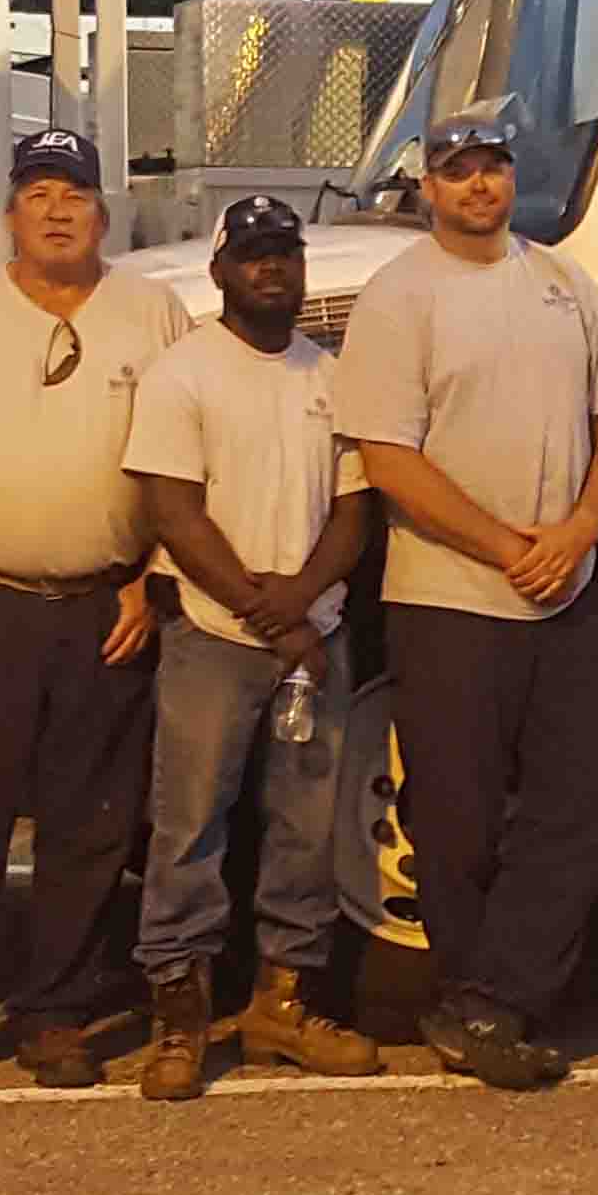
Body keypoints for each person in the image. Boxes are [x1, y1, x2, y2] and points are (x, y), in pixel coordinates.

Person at [342, 114, 598, 1091]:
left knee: (589, 800)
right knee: (456, 818)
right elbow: (388, 457)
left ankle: (492, 998)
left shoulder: (563, 283)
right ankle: (469, 996)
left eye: (492, 167)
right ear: (426, 188)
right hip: (448, 599)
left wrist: (577, 533)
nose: (478, 185)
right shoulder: (398, 297)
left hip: (566, 592)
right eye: (457, 172)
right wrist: (508, 546)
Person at [0, 124, 187, 1090]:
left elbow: (181, 462)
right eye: (38, 195)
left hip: (108, 606)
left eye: (75, 196)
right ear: (11, 213)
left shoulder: (154, 315)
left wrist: (147, 576)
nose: (58, 212)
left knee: (89, 825)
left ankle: (54, 1012)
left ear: (104, 213)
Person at [122, 191, 391, 1100]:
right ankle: (180, 1020)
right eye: (253, 254)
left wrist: (305, 610)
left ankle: (283, 1004)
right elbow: (172, 509)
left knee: (305, 830)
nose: (271, 268)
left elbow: (355, 508)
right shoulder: (183, 373)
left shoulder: (333, 377)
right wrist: (269, 616)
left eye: (284, 253)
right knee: (189, 827)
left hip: (313, 640)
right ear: (220, 271)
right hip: (214, 636)